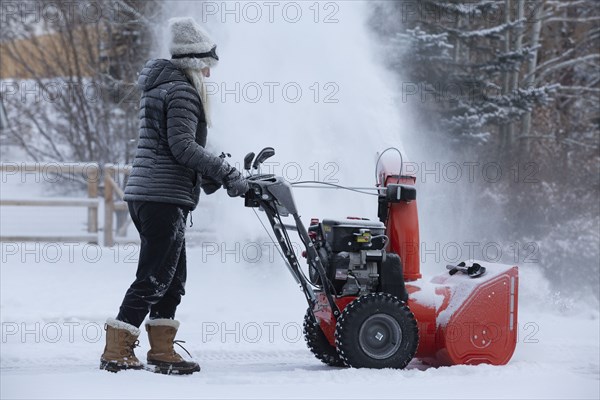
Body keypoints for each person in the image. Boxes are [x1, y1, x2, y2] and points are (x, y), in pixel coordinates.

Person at [100, 17, 248, 375]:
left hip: (153, 193)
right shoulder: (181, 91)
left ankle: (161, 350)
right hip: (161, 196)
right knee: (155, 275)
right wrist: (225, 173)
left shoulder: (161, 87)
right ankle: (116, 350)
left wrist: (214, 175)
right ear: (194, 64)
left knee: (171, 278)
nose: (210, 75)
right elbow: (182, 147)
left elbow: (175, 147)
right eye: (207, 67)